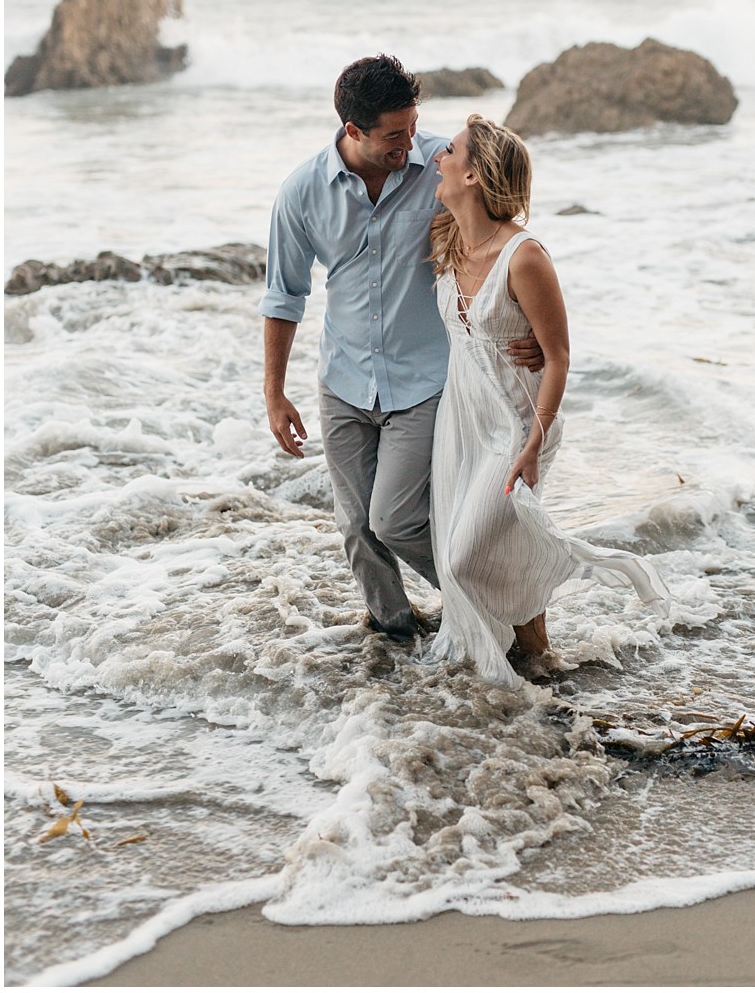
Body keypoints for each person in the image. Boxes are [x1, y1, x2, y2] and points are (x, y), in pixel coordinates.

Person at [260, 54, 539, 643]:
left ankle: (500, 607)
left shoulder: (442, 166)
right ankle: (394, 641)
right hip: (343, 379)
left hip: (426, 382)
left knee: (397, 519)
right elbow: (284, 295)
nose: (410, 143)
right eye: (394, 135)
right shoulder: (302, 192)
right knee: (358, 529)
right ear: (353, 130)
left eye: (413, 127)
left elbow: (503, 234)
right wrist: (274, 391)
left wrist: (535, 327)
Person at [421, 114, 667, 685]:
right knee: (473, 546)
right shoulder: (449, 236)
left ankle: (515, 656)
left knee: (463, 556)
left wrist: (534, 441)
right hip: (462, 420)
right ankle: (532, 655)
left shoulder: (525, 256)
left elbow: (557, 355)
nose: (439, 158)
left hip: (516, 425)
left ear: (476, 175)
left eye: (451, 152)